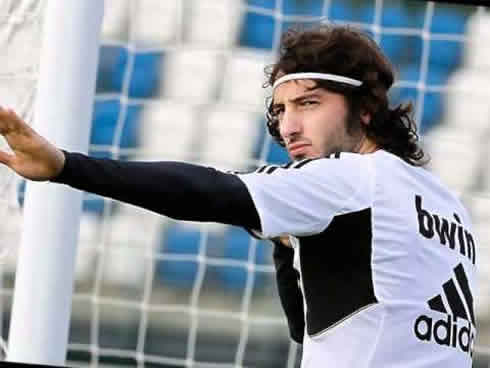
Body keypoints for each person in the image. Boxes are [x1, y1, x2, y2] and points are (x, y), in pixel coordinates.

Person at [0, 25, 478, 367]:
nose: (288, 126)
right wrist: (284, 242)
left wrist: (65, 166)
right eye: (280, 110)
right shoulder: (446, 203)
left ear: (366, 109)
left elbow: (206, 192)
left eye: (309, 104)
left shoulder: (351, 179)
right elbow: (313, 327)